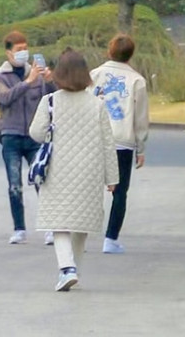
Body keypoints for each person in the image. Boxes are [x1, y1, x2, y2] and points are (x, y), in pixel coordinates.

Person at [28, 48, 119, 292]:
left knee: (59, 222)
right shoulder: (97, 105)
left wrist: (52, 130)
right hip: (90, 170)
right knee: (81, 222)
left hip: (58, 169)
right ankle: (73, 269)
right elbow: (108, 142)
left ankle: (67, 269)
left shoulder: (50, 101)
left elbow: (35, 133)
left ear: (59, 73)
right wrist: (112, 178)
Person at [0, 28, 56, 243]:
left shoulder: (36, 74)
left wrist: (49, 80)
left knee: (42, 180)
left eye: (25, 49)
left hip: (34, 136)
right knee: (14, 183)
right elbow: (4, 98)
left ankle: (49, 227)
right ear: (8, 53)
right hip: (11, 135)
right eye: (19, 50)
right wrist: (27, 82)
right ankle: (19, 228)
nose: (23, 53)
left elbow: (50, 98)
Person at [90, 33, 150, 253]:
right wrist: (141, 147)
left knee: (91, 187)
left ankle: (82, 231)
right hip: (123, 141)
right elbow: (140, 118)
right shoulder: (137, 81)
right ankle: (111, 238)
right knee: (120, 191)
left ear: (109, 51)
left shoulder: (95, 75)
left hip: (95, 138)